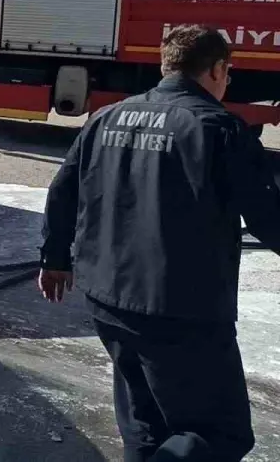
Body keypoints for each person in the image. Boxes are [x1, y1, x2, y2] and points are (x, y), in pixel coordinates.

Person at [39, 24, 280, 462]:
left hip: (107, 301)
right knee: (220, 434)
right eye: (228, 74)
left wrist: (55, 258)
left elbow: (62, 191)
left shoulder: (106, 117)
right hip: (180, 312)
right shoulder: (220, 128)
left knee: (146, 429)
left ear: (166, 65)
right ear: (219, 69)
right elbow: (270, 216)